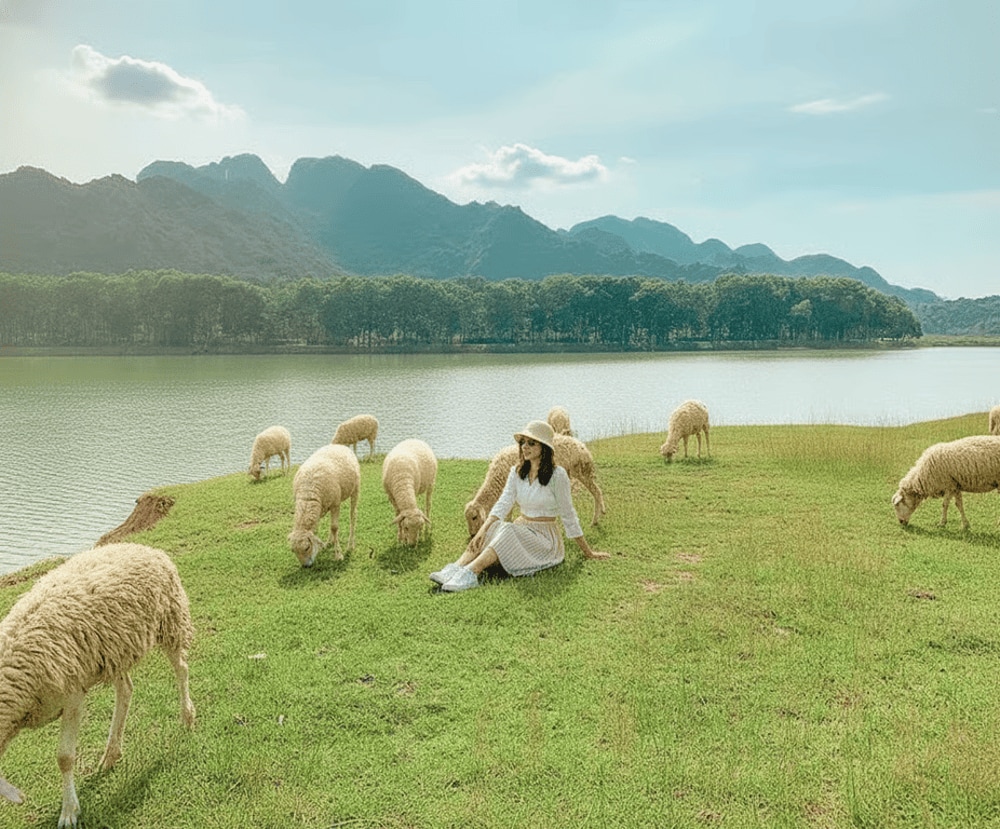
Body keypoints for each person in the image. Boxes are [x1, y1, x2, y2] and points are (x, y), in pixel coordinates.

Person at [430, 420, 610, 592]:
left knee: (507, 530)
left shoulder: (557, 476)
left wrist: (588, 552)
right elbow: (503, 504)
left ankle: (471, 573)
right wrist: (483, 530)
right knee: (495, 526)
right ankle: (455, 568)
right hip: (522, 529)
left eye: (532, 443)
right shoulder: (516, 473)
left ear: (544, 448)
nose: (525, 447)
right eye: (523, 442)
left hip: (544, 539)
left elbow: (568, 514)